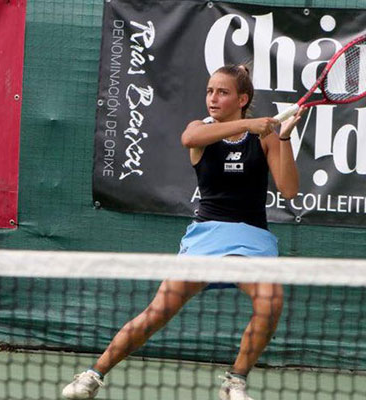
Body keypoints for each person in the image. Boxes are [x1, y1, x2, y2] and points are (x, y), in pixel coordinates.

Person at [63, 64, 304, 400]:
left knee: (271, 302)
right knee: (156, 314)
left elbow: (289, 190)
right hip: (207, 237)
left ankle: (235, 381)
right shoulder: (199, 131)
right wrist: (251, 122)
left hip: (251, 239)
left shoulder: (264, 139)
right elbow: (188, 138)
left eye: (222, 92)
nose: (213, 98)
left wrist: (284, 136)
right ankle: (93, 374)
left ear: (242, 98)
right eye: (209, 91)